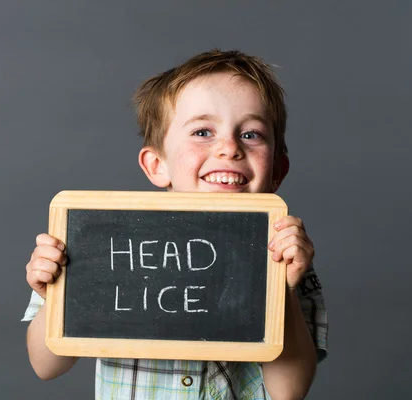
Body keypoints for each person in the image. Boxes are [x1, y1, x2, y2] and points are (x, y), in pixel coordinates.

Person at [22, 49, 328, 399]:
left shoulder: (285, 252)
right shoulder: (98, 241)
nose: (229, 149)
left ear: (277, 171)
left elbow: (289, 391)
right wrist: (58, 296)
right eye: (202, 132)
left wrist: (284, 291)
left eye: (251, 134)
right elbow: (46, 366)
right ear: (157, 165)